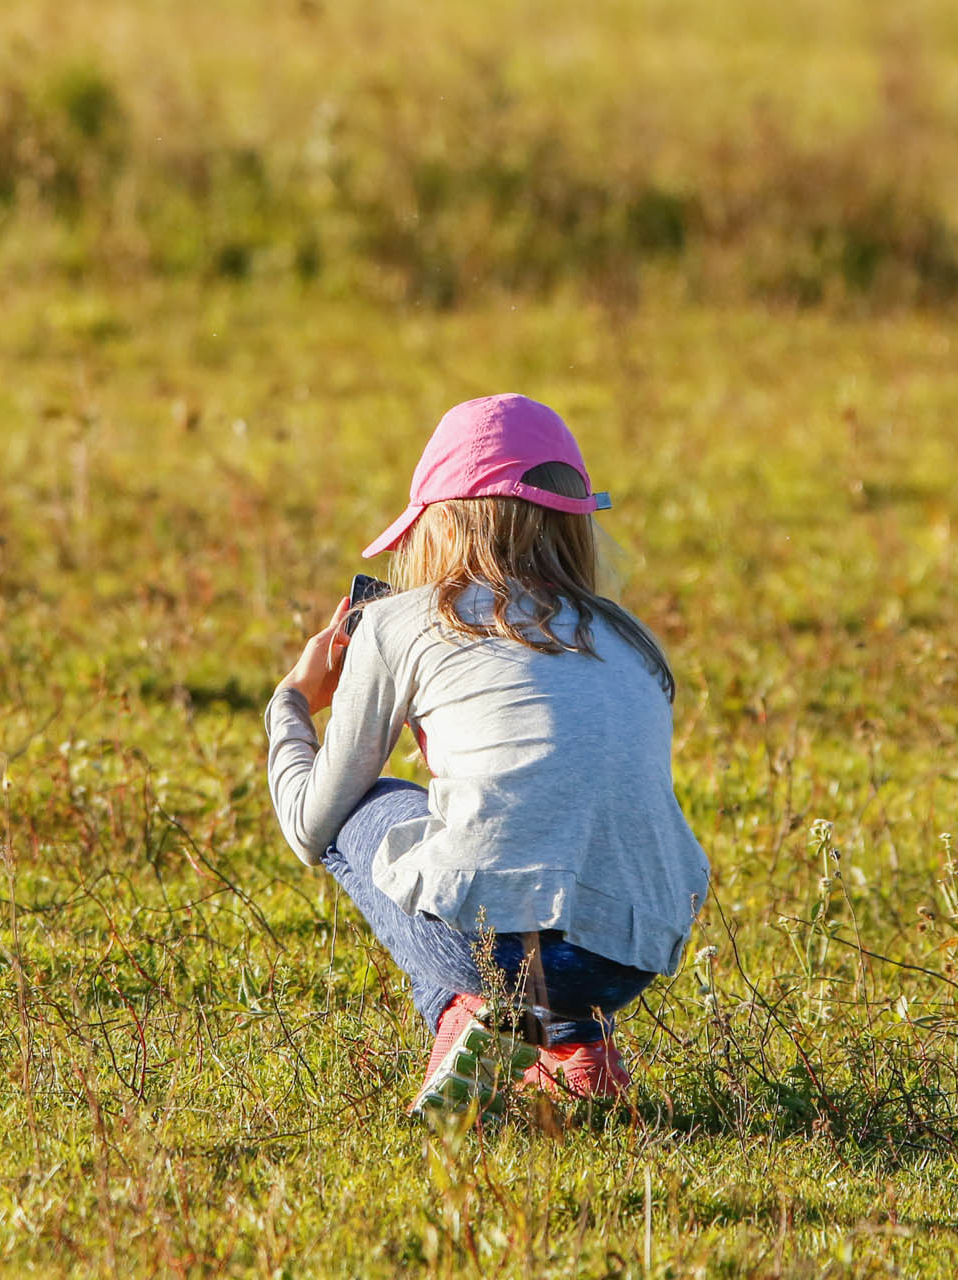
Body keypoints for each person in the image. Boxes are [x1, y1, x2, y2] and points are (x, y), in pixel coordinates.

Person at [264, 393, 709, 1117]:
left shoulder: (398, 623)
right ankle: (579, 1052)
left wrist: (290, 704)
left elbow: (310, 826)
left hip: (492, 948)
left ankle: (461, 1012)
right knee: (561, 838)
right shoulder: (634, 645)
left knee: (369, 805)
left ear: (438, 523)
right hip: (630, 955)